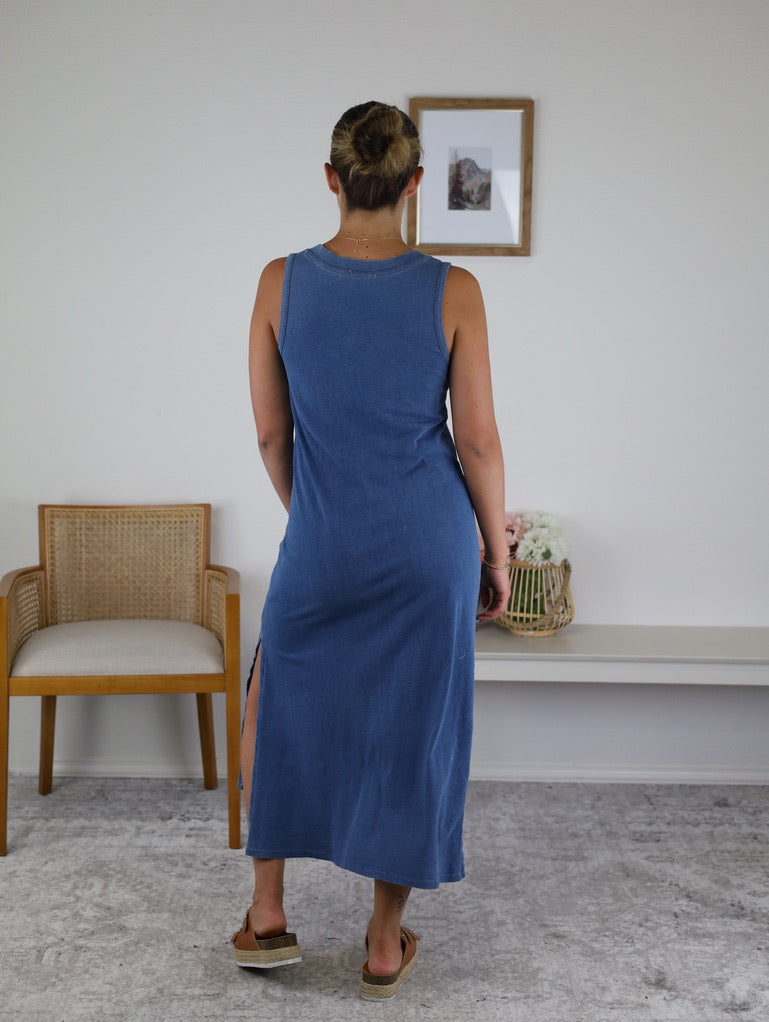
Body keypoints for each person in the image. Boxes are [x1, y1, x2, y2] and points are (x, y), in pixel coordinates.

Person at [231, 100, 510, 1000]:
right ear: (414, 183)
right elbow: (477, 443)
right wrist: (494, 556)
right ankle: (384, 945)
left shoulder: (279, 282)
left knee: (277, 703)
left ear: (331, 178)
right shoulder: (454, 288)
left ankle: (266, 914)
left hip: (323, 538)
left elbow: (271, 435)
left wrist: (318, 516)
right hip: (428, 542)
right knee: (409, 727)